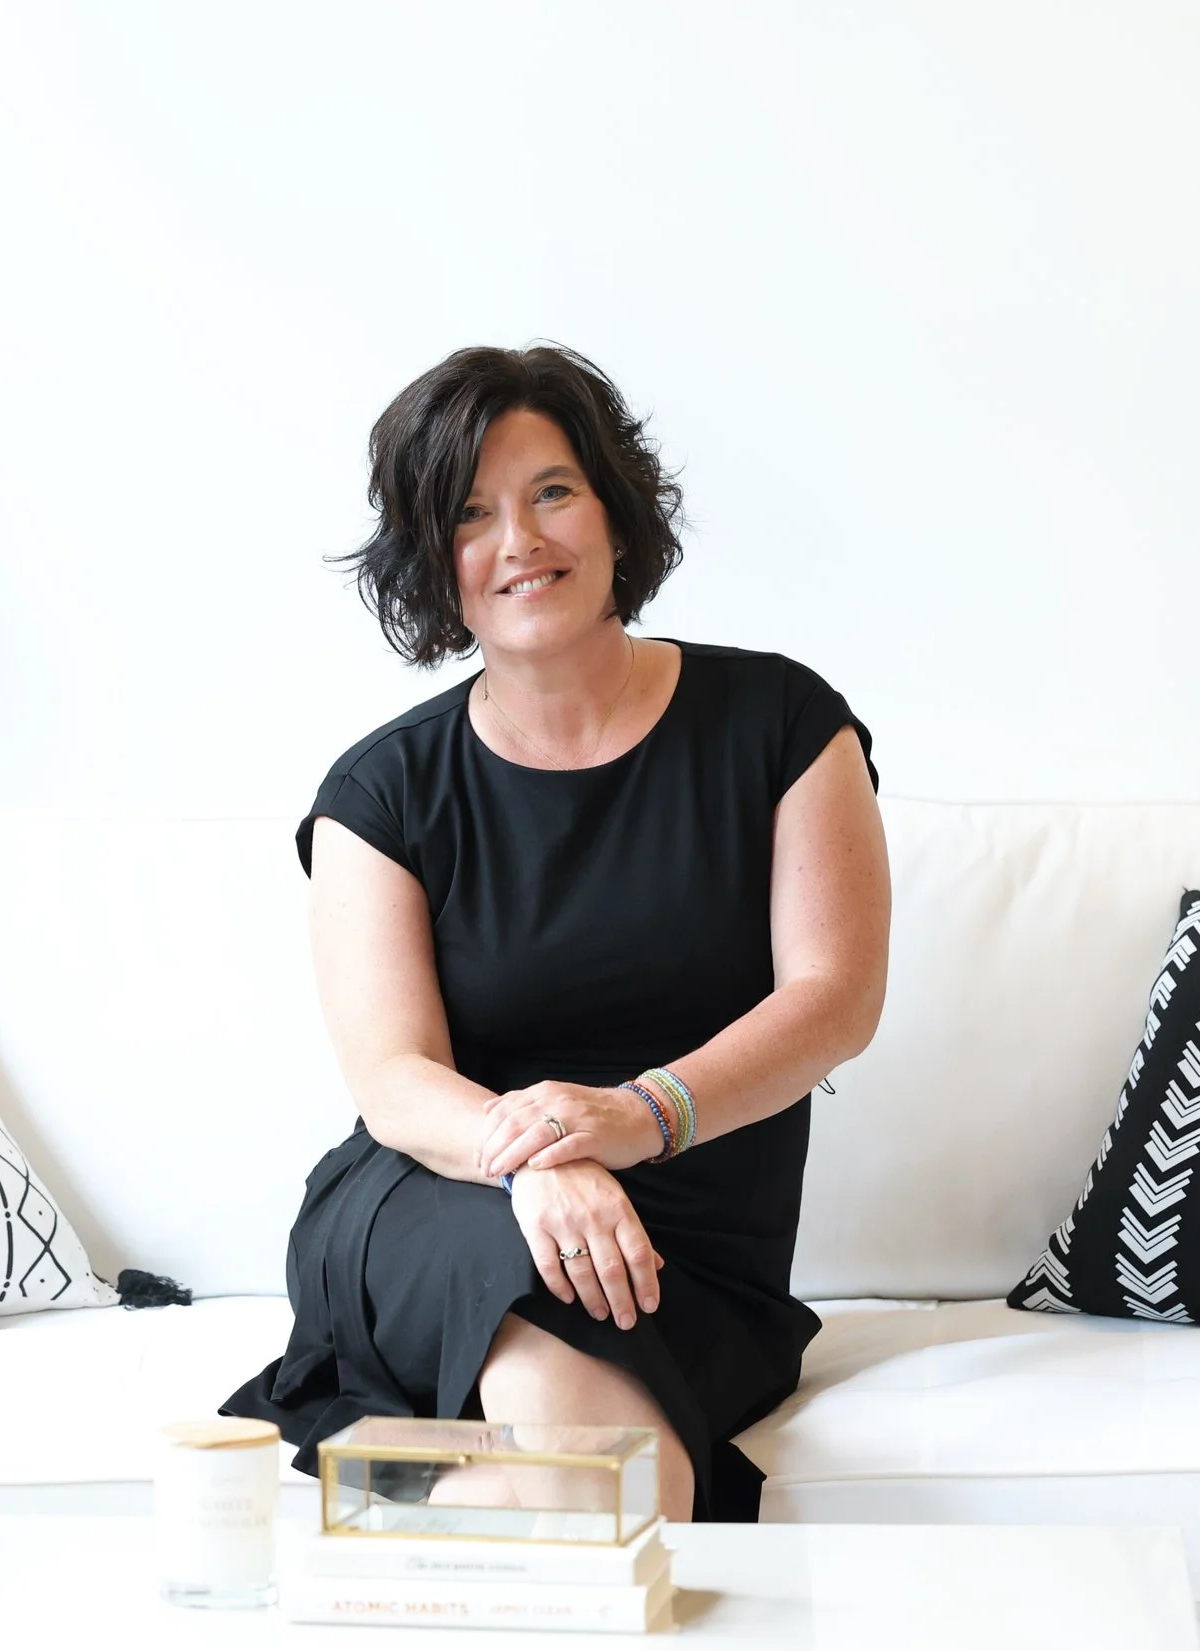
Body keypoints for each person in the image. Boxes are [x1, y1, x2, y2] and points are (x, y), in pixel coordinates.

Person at [221, 343, 891, 1523]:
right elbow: (391, 1078)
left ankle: (401, 1518)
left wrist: (631, 1120)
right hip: (439, 1194)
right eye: (472, 514)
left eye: (550, 492)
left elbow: (833, 996)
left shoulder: (781, 724)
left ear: (615, 513)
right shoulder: (379, 794)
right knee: (590, 1464)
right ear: (435, 565)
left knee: (604, 1479)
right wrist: (537, 1162)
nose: (519, 540)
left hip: (685, 1239)